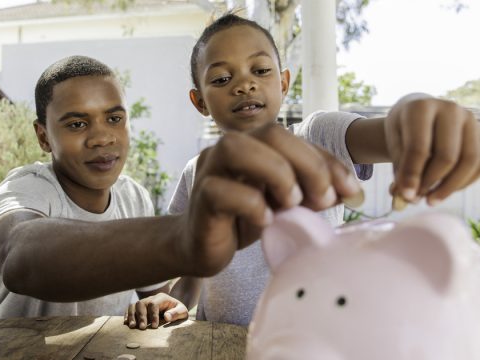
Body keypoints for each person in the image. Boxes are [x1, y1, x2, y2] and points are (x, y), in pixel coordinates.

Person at [124, 13, 480, 328]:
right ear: (199, 101)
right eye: (220, 79)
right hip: (221, 343)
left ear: (283, 82)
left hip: (313, 342)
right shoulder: (198, 170)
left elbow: (389, 133)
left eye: (261, 71)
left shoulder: (318, 136)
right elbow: (194, 265)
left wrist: (416, 116)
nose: (244, 84)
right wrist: (176, 300)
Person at [0, 55, 364, 320]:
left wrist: (170, 296)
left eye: (114, 118)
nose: (101, 138)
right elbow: (19, 253)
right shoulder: (27, 188)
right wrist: (181, 237)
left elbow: (155, 294)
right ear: (43, 137)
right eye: (77, 124)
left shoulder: (133, 197)